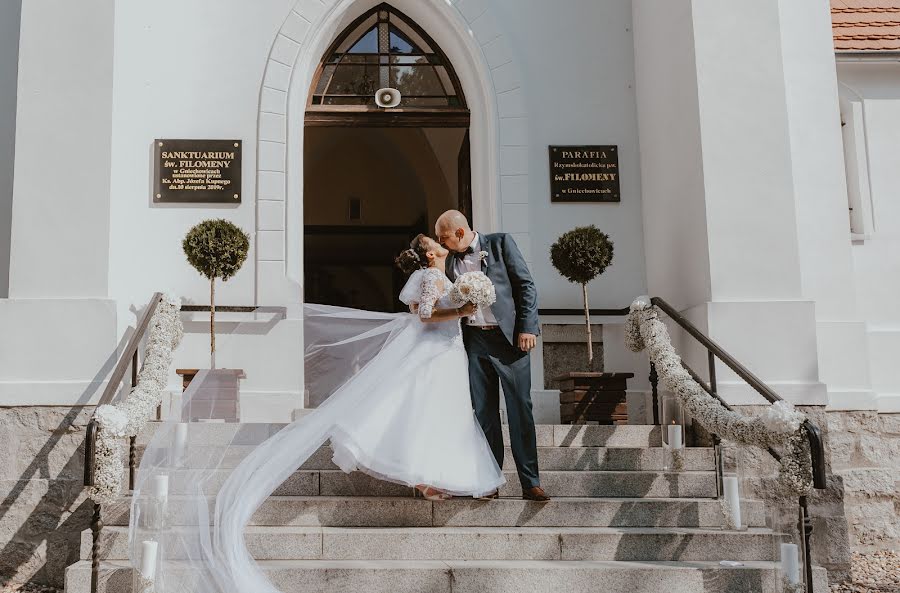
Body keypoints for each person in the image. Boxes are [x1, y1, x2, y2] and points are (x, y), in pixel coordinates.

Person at [436, 210, 549, 502]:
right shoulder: (449, 262)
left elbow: (525, 286)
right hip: (474, 342)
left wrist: (528, 328)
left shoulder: (500, 244)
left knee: (519, 411)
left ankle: (530, 482)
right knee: (484, 414)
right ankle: (489, 481)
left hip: (509, 340)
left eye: (443, 237)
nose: (441, 243)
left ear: (459, 233)